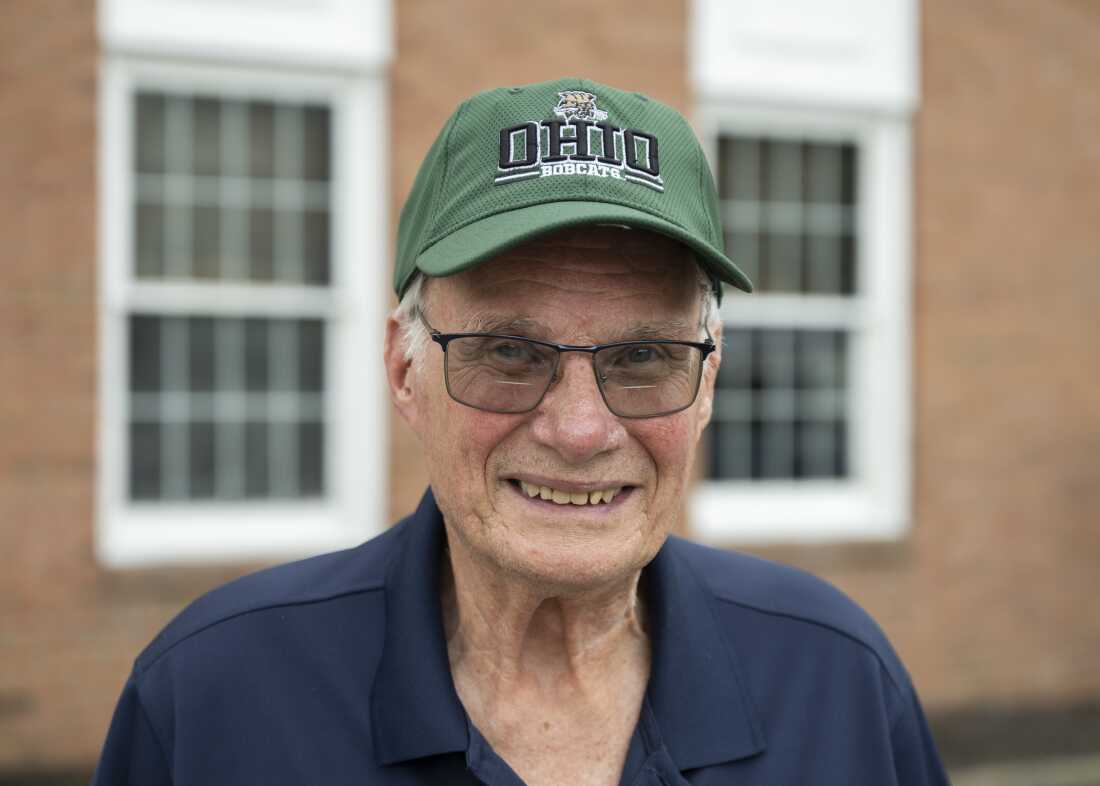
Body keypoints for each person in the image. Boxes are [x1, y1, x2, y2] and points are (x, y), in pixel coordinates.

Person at [92, 78, 950, 786]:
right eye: (508, 350)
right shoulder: (212, 701)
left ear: (708, 382)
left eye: (645, 355)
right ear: (403, 369)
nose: (579, 428)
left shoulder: (837, 684)